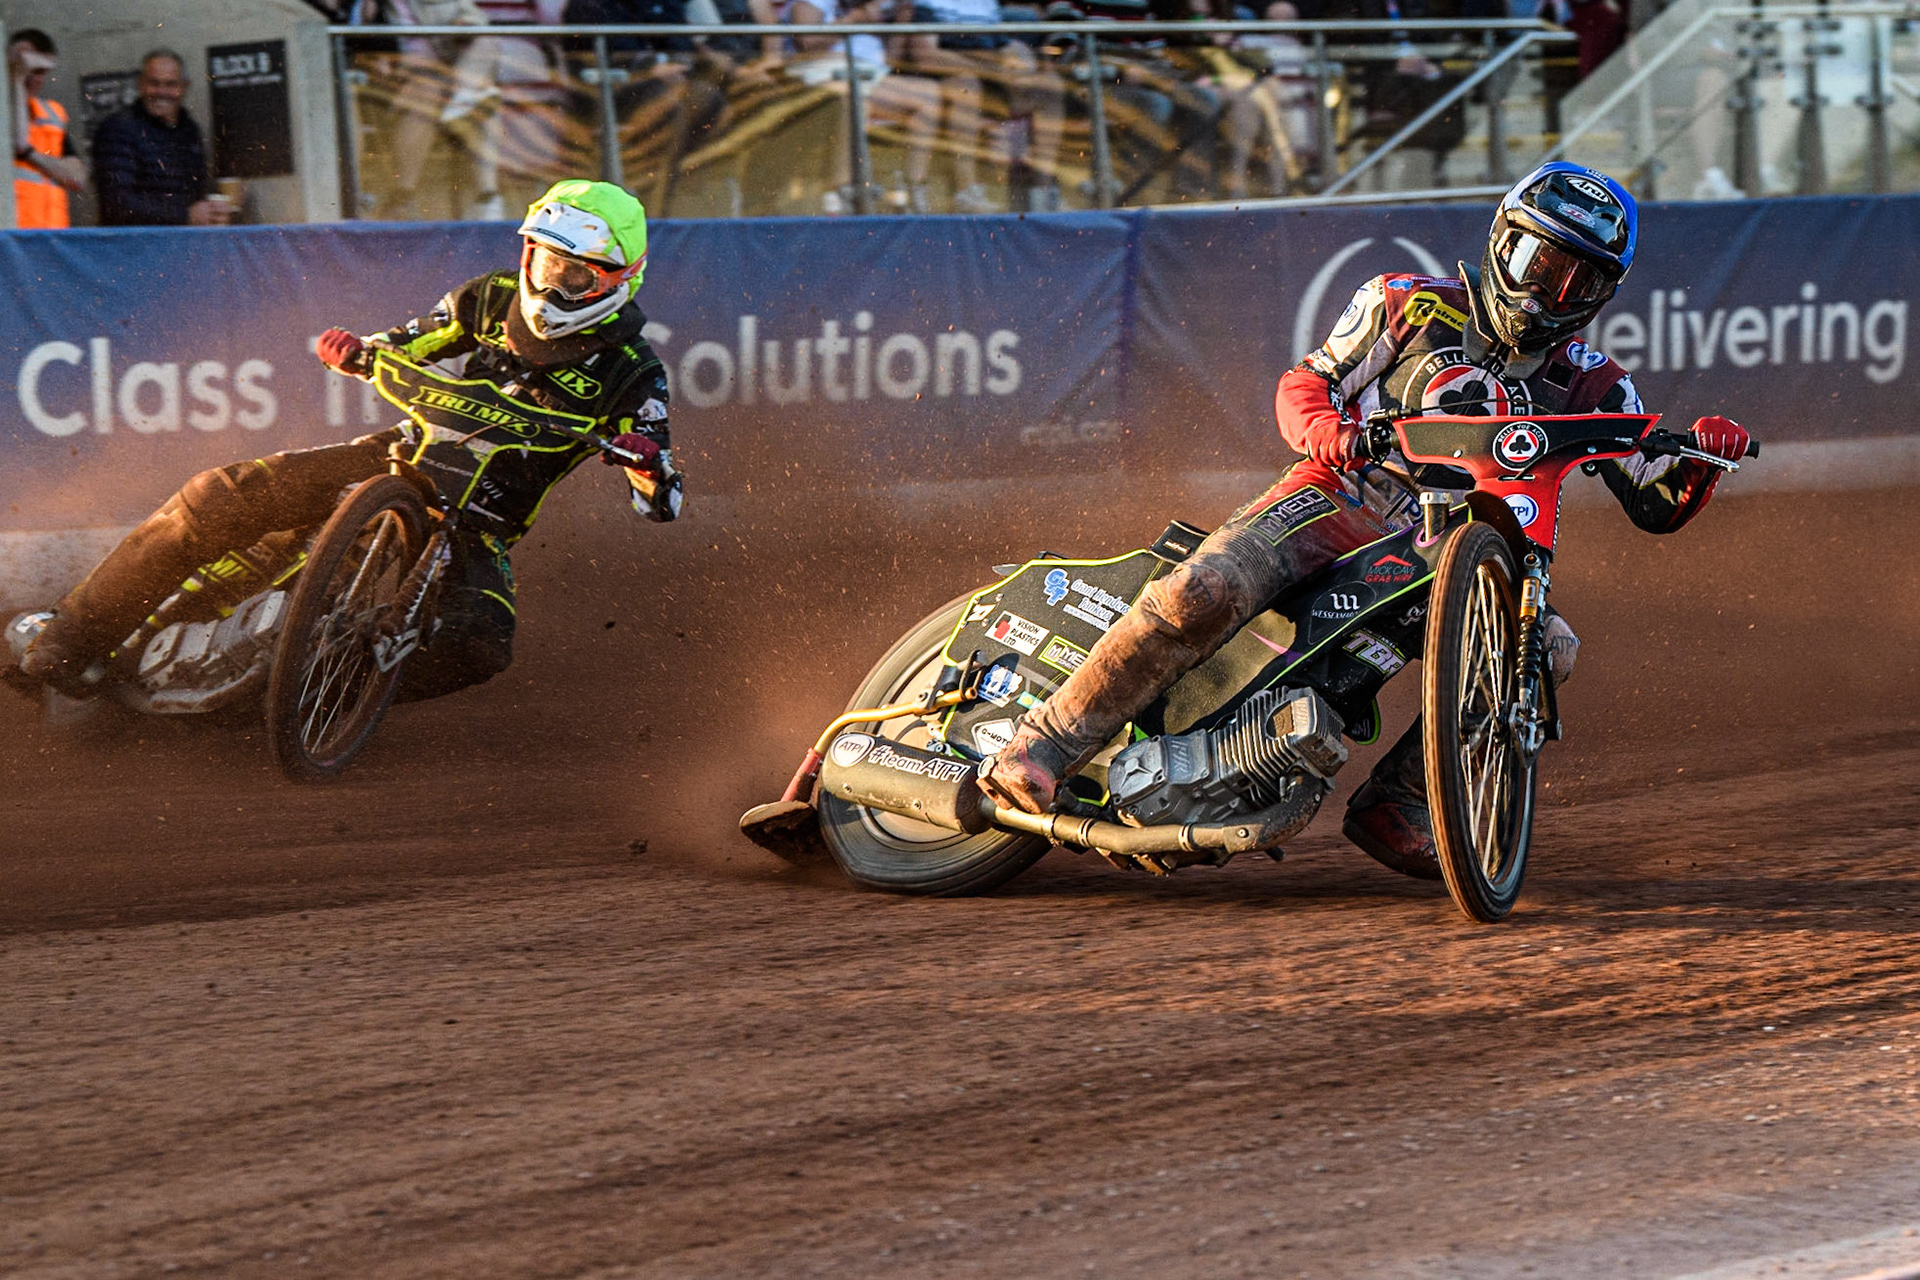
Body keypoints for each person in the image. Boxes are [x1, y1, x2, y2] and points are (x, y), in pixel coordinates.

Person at [977, 162, 1753, 878]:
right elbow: (1304, 385)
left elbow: (1654, 502)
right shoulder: (1404, 302)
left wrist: (1701, 459)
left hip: (1450, 547)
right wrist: (1336, 435)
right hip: (1339, 494)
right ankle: (1041, 743)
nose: (1549, 293)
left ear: (1600, 295)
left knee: (1546, 648)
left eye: (1576, 281)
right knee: (1201, 593)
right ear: (1502, 244)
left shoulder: (1594, 381)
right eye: (1537, 265)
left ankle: (1401, 801)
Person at [13, 180, 680, 703]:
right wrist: (360, 350)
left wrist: (647, 469)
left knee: (481, 645)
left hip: (483, 523)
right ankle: (66, 640)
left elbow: (663, 504)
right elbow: (406, 339)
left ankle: (324, 690)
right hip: (401, 456)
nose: (548, 281)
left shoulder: (635, 371)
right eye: (541, 259)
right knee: (219, 493)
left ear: (620, 279)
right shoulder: (490, 296)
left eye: (574, 274)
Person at [91, 49, 232, 227]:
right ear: (140, 84)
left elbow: (195, 193)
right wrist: (185, 216)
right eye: (154, 83)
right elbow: (117, 203)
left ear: (184, 87)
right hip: (133, 246)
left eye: (170, 84)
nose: (161, 91)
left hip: (179, 244)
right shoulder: (117, 128)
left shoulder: (189, 129)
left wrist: (212, 211)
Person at [9, 29, 87, 228]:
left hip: (51, 240)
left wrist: (29, 153)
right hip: (10, 241)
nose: (30, 77)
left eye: (39, 71)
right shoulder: (4, 116)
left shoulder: (52, 114)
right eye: (24, 67)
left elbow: (77, 178)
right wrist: (16, 77)